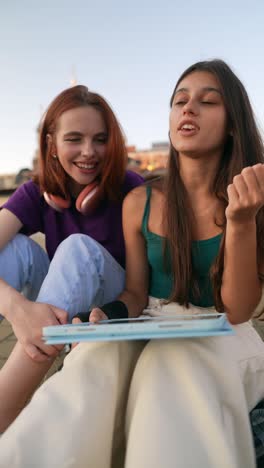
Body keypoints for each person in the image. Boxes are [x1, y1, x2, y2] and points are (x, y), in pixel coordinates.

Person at [0, 59, 264, 468]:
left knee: (168, 374)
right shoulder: (140, 202)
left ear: (233, 123)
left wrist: (241, 222)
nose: (188, 109)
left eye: (207, 101)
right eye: (180, 100)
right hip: (151, 317)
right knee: (90, 367)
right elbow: (136, 291)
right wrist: (108, 314)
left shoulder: (247, 200)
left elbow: (239, 309)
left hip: (218, 330)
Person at [0, 84, 143, 431]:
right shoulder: (36, 192)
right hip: (63, 306)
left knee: (77, 249)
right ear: (51, 143)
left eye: (100, 139)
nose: (88, 152)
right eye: (74, 138)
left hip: (121, 310)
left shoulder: (132, 188)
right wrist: (15, 307)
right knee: (15, 249)